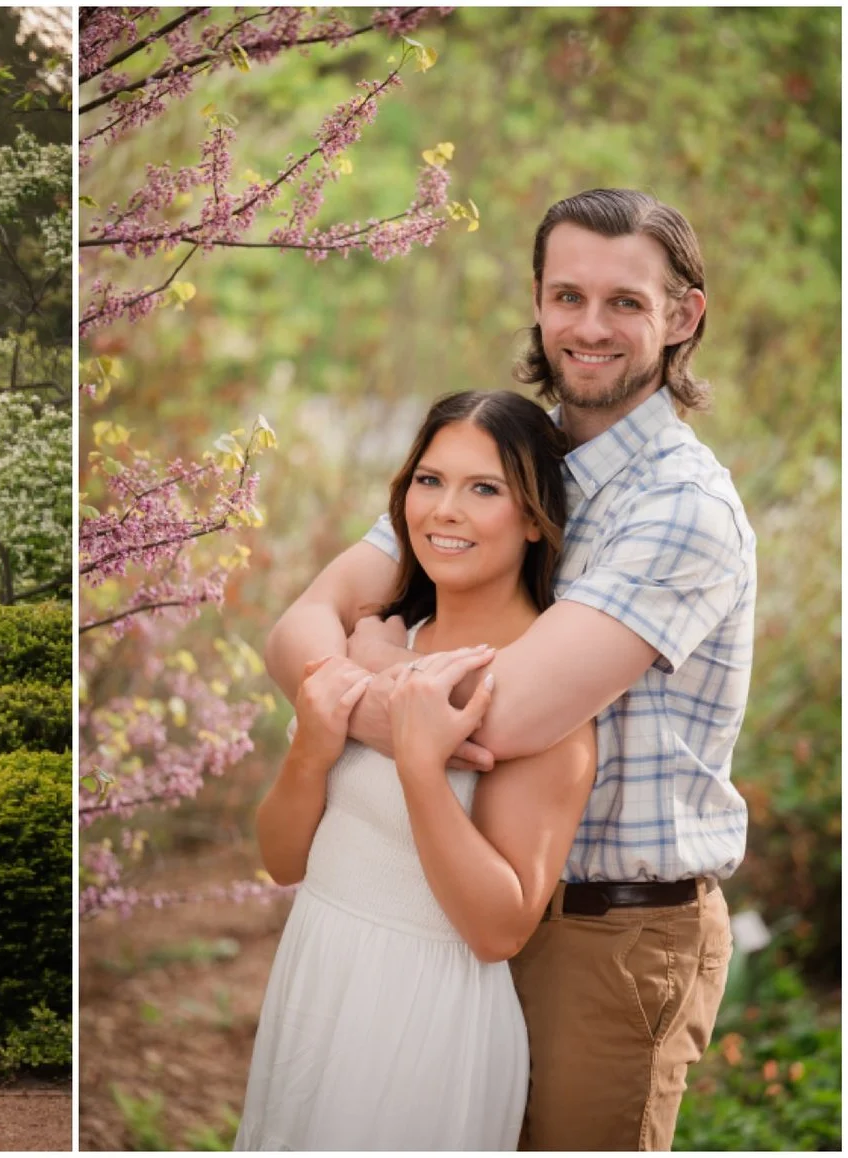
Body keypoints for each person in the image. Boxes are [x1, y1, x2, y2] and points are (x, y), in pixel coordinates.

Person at [267, 189, 754, 1149]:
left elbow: (498, 718)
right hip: (449, 915)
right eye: (567, 295)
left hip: (605, 933)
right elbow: (299, 625)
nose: (591, 326)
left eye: (626, 301)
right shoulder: (500, 453)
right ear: (537, 301)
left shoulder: (681, 508)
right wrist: (373, 679)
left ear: (683, 315)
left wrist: (359, 673)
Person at [239, 391, 595, 1148]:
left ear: (534, 519)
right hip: (318, 971)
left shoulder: (532, 695)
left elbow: (500, 928)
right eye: (429, 482)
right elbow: (280, 860)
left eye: (484, 489)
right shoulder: (385, 639)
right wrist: (313, 741)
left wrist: (423, 769)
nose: (445, 511)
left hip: (423, 1014)